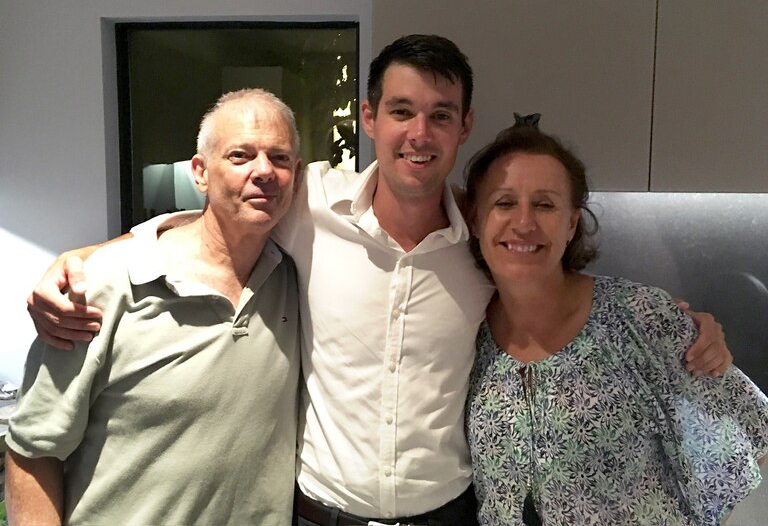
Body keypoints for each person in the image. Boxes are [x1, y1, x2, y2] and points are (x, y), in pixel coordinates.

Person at [26, 36, 732, 526]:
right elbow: (222, 210)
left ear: (463, 128)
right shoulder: (309, 206)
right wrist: (85, 256)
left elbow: (557, 282)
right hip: (317, 514)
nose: (418, 132)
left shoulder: (484, 238)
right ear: (369, 118)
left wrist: (675, 324)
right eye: (400, 111)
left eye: (440, 115)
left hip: (447, 515)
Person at [6, 89, 303, 525]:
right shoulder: (102, 287)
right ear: (200, 173)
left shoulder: (294, 279)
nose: (263, 172)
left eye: (279, 158)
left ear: (297, 173)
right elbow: (33, 450)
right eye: (240, 156)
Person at [463, 115, 768, 526]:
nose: (523, 222)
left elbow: (754, 433)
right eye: (503, 203)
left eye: (545, 204)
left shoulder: (639, 318)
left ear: (571, 223)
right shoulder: (465, 333)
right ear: (475, 219)